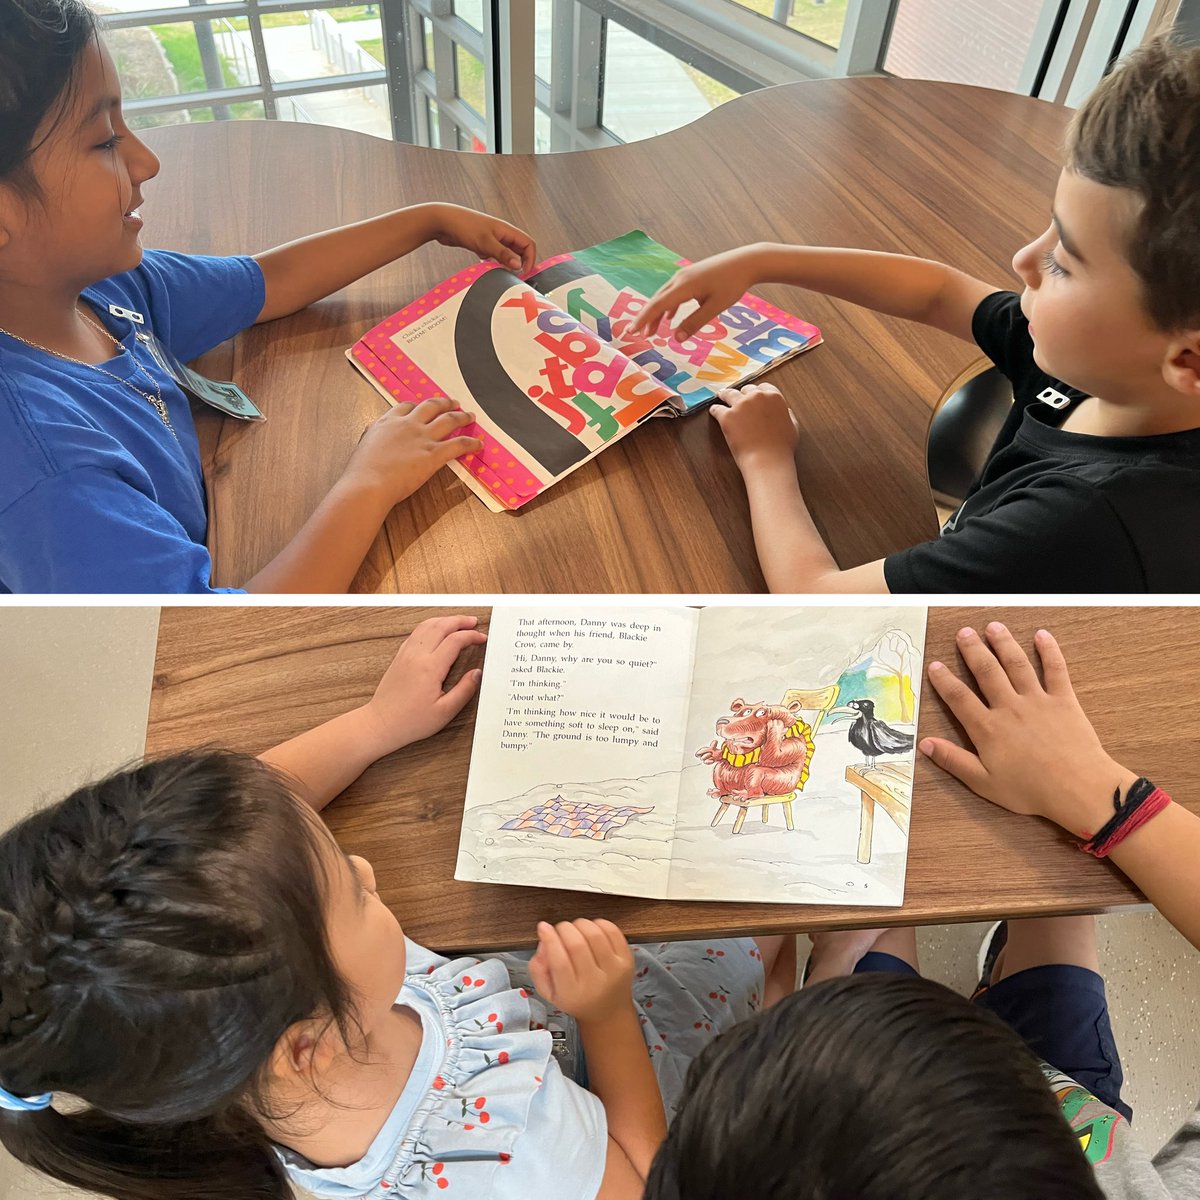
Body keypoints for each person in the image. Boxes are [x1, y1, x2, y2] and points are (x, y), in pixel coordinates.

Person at [0, 615, 787, 1200]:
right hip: (623, 1066)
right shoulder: (510, 1154)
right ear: (303, 1046)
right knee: (757, 938)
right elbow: (649, 1179)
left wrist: (375, 726)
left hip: (528, 1009)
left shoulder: (251, 1041)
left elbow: (257, 809)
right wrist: (607, 1012)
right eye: (352, 889)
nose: (368, 870)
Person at [644, 623, 1199, 1199]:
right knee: (1058, 879)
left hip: (861, 1066)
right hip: (1080, 1132)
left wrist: (830, 967)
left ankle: (932, 979)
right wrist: (1101, 799)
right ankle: (1004, 970)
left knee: (875, 921)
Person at [0, 0, 537, 593]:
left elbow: (267, 281)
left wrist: (426, 221)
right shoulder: (47, 471)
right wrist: (370, 482)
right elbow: (208, 643)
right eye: (104, 141)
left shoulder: (97, 289)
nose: (146, 162)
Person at [630, 36, 1200, 593]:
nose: (1023, 257)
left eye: (1063, 261)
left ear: (1188, 358)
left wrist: (765, 459)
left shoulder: (1082, 522)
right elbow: (939, 291)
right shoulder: (1108, 366)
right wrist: (761, 260)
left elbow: (819, 602)